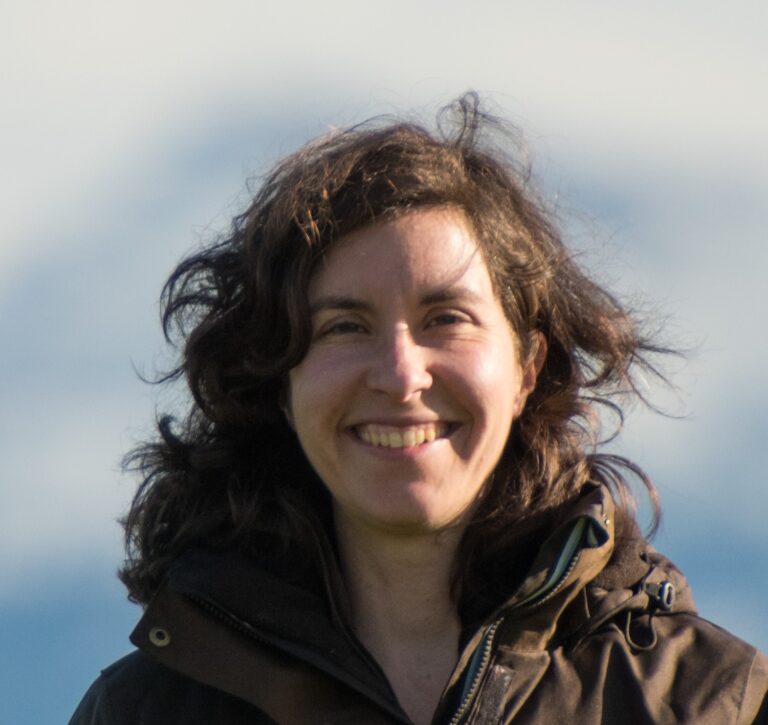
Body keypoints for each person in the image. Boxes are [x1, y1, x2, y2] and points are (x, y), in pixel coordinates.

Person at [70, 94, 768, 724]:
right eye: (345, 326)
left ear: (527, 367)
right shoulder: (143, 711)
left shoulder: (711, 702)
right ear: (280, 380)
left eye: (447, 318)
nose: (402, 376)